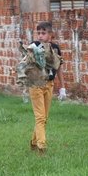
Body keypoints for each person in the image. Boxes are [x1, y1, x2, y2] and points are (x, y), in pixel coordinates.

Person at [29, 21, 66, 155]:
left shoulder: (56, 48)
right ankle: (41, 147)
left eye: (43, 33)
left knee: (45, 117)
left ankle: (33, 142)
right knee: (40, 117)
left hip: (49, 85)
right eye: (38, 33)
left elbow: (59, 68)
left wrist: (62, 87)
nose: (40, 36)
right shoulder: (34, 46)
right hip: (36, 84)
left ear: (51, 35)